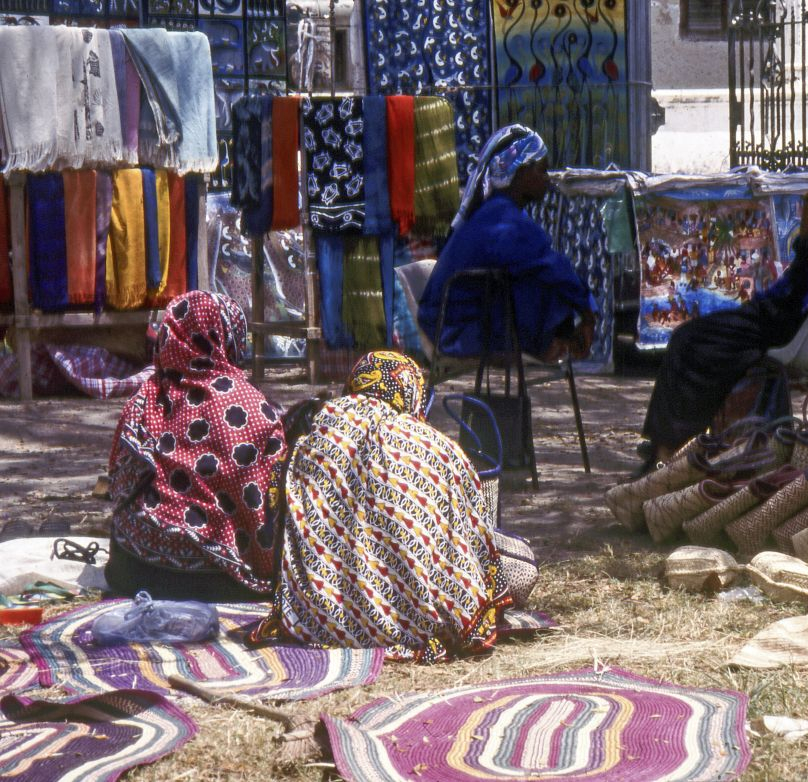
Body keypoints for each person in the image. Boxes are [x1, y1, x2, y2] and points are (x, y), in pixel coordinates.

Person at [635, 131, 808, 471]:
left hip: (787, 328)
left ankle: (665, 452)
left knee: (688, 339)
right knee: (708, 340)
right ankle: (680, 447)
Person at [250, 351, 513, 662]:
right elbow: (469, 542)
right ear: (410, 390)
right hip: (415, 627)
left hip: (319, 620)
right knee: (521, 567)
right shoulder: (434, 448)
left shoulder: (313, 436)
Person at [106, 291, 286, 601]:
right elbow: (265, 506)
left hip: (131, 570)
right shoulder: (250, 408)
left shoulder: (141, 401)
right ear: (226, 337)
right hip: (218, 582)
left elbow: (117, 484)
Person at [418, 124, 597, 363]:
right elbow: (554, 268)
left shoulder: (498, 212)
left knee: (538, 281)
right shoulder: (503, 221)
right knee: (546, 281)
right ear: (520, 173)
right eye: (542, 171)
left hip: (457, 324)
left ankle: (554, 340)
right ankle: (553, 342)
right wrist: (588, 315)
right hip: (456, 332)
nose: (547, 180)